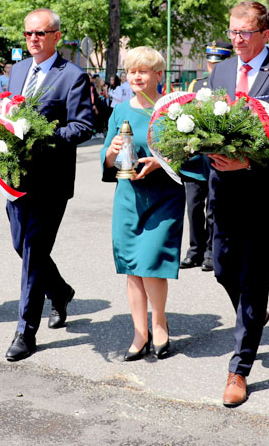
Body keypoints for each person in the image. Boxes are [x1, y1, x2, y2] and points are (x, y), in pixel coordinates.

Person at [205, 1, 269, 407]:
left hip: (263, 191)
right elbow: (208, 121)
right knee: (222, 268)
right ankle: (254, 314)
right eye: (232, 32)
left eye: (244, 33)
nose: (237, 40)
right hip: (222, 189)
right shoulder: (222, 70)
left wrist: (246, 160)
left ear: (265, 34)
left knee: (255, 278)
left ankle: (239, 367)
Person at [2, 8, 94, 362]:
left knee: (34, 252)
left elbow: (82, 127)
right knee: (20, 245)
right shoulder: (19, 70)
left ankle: (25, 331)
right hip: (16, 178)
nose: (33, 40)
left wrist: (42, 136)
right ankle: (60, 290)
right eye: (28, 34)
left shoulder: (72, 76)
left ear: (56, 36)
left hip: (51, 181)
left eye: (40, 34)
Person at [101, 46, 185, 361]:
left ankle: (159, 322)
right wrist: (111, 151)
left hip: (164, 196)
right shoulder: (120, 111)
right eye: (131, 71)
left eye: (143, 70)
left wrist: (160, 163)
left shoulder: (171, 109)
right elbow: (108, 158)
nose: (136, 76)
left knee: (150, 263)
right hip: (128, 198)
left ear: (159, 75)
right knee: (132, 269)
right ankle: (140, 333)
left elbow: (186, 154)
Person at [180, 41, 232, 271]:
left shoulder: (230, 86)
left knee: (214, 207)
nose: (213, 68)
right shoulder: (196, 84)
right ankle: (195, 250)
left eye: (217, 64)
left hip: (218, 158)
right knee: (193, 207)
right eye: (210, 63)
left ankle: (211, 251)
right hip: (195, 160)